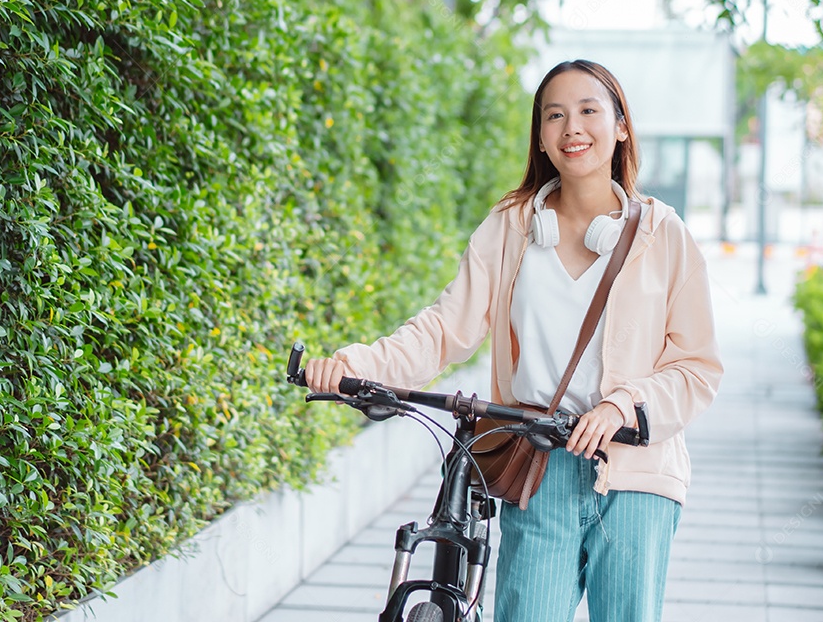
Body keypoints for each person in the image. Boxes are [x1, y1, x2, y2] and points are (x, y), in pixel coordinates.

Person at [305, 59, 723, 622]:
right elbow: (444, 327)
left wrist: (624, 404)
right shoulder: (512, 227)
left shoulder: (663, 234)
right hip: (539, 468)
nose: (572, 127)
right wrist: (355, 365)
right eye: (555, 115)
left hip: (637, 479)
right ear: (542, 139)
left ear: (621, 126)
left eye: (588, 111)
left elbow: (697, 367)